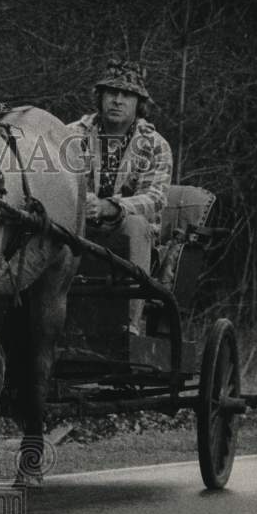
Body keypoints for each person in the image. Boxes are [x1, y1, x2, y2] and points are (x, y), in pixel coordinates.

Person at [67, 59, 173, 334]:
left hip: (128, 236)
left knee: (136, 225)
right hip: (76, 227)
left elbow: (154, 199)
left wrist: (110, 207)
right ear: (100, 97)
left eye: (126, 94)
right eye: (111, 92)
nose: (117, 100)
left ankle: (129, 326)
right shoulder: (70, 135)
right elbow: (54, 182)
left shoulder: (155, 145)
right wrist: (81, 204)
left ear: (139, 103)